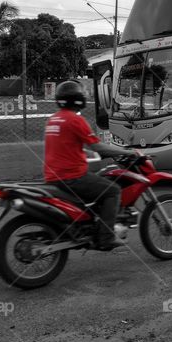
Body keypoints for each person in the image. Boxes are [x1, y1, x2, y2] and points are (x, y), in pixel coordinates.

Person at [44, 80, 135, 250]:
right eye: (82, 94)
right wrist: (128, 152)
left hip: (53, 177)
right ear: (77, 99)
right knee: (113, 191)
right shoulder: (75, 120)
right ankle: (106, 237)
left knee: (98, 183)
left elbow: (63, 146)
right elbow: (99, 147)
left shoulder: (53, 120)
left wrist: (85, 154)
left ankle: (91, 226)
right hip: (72, 177)